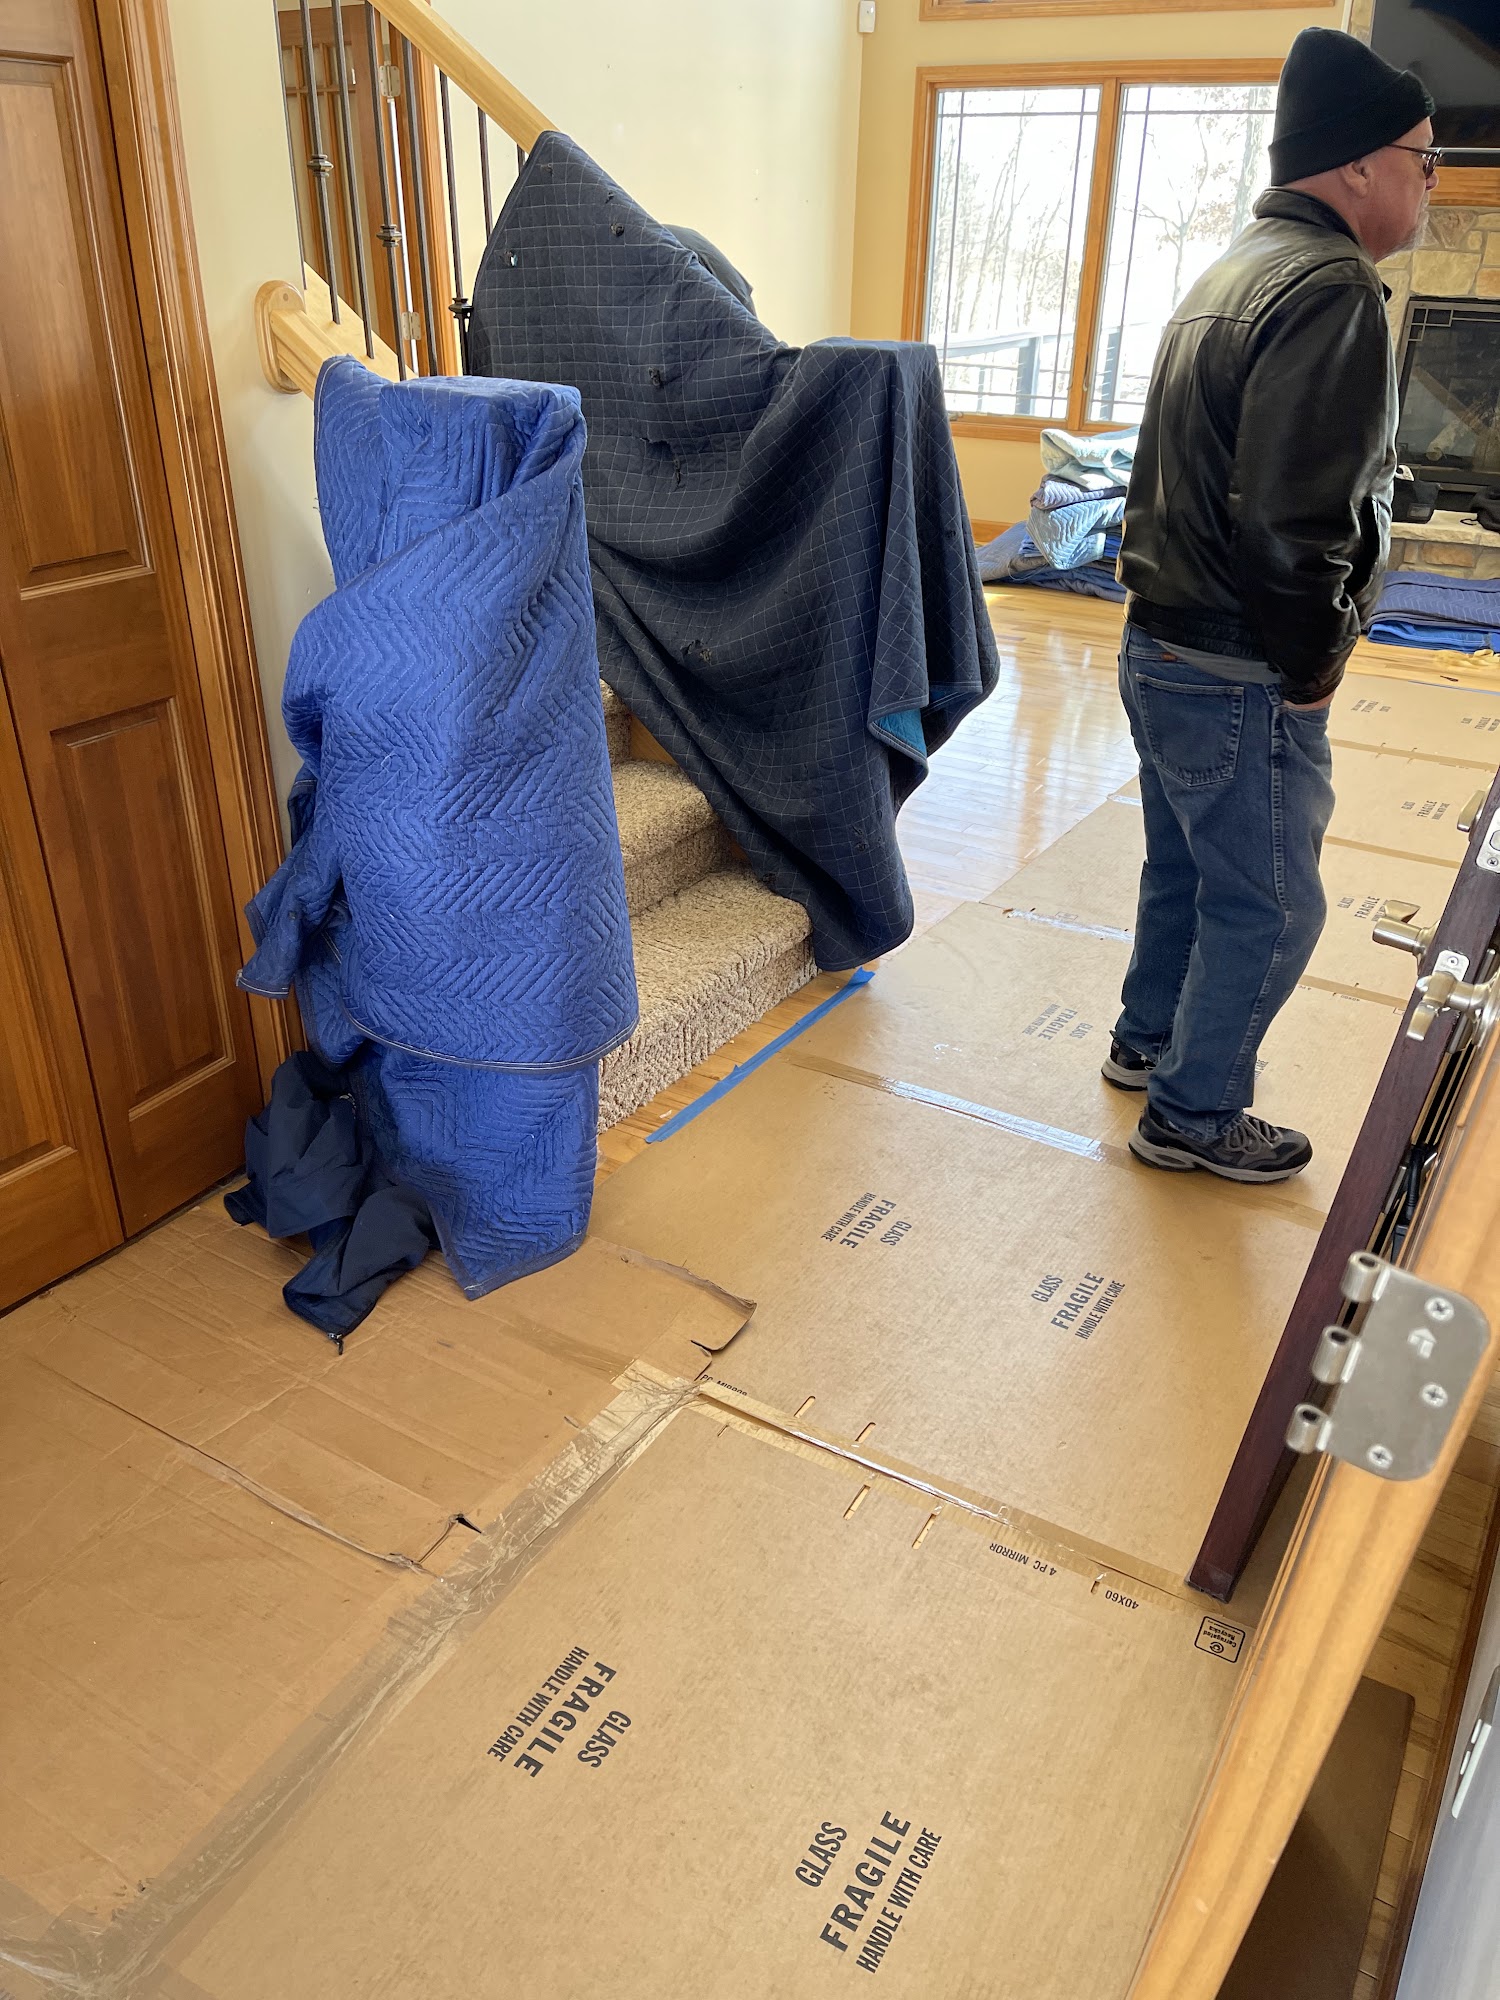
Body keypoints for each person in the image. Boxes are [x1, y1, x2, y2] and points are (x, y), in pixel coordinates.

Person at [1105, 26, 1439, 1184]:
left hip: (1160, 640)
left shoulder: (1237, 265)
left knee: (1188, 868)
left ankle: (1148, 1041)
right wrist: (1315, 665)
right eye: (1424, 159)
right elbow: (1292, 523)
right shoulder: (1331, 287)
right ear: (1360, 164)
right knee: (1275, 906)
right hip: (1239, 660)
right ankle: (1192, 1113)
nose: (1431, 181)